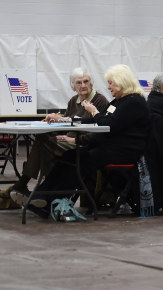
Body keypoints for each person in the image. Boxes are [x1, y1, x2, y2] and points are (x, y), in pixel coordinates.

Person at [32, 64, 152, 215]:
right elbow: (98, 121)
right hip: (108, 148)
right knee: (69, 156)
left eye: (111, 83)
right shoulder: (119, 101)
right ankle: (40, 197)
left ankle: (52, 201)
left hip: (124, 152)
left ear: (122, 82)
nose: (108, 87)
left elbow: (108, 124)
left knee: (80, 160)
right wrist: (68, 121)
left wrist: (94, 111)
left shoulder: (134, 102)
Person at [9, 67, 110, 207]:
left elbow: (99, 131)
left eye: (86, 81)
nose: (83, 85)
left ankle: (30, 186)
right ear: (73, 86)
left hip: (81, 144)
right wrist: (57, 119)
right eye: (79, 83)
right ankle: (43, 194)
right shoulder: (73, 100)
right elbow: (68, 123)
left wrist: (73, 139)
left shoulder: (100, 101)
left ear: (91, 83)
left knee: (42, 142)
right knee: (44, 138)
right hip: (67, 140)